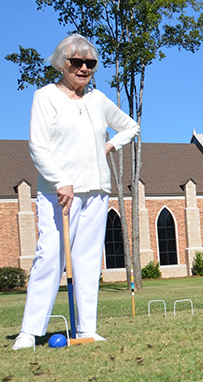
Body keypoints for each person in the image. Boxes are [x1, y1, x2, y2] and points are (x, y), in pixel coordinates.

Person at [12, 34, 139, 350]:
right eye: (76, 62)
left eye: (90, 63)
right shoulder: (45, 97)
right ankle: (29, 332)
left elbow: (130, 127)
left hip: (96, 190)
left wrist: (109, 145)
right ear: (61, 63)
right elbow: (38, 146)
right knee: (49, 256)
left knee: (87, 259)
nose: (83, 68)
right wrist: (59, 180)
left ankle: (87, 328)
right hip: (58, 193)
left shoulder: (97, 101)